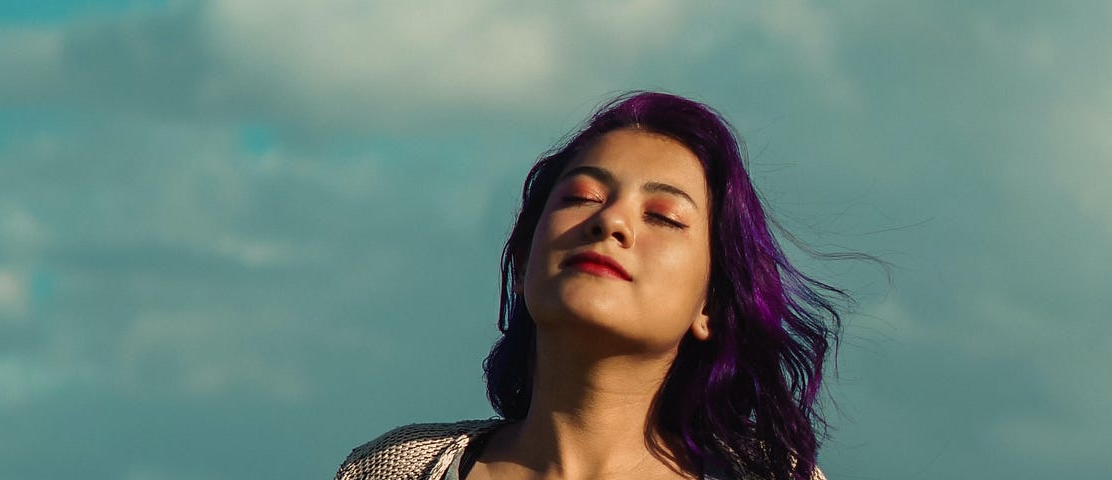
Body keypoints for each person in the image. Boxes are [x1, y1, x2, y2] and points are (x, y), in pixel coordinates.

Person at [336, 91, 856, 480]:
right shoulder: (396, 468)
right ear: (522, 261)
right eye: (581, 196)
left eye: (665, 216)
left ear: (712, 303)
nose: (612, 222)